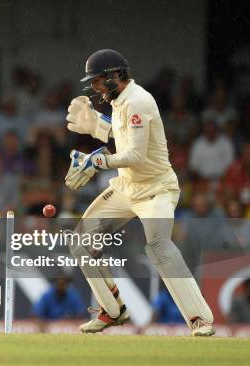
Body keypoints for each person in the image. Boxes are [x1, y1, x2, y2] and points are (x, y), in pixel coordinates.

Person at [64, 49, 214, 336]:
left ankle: (200, 320)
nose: (94, 87)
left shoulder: (139, 101)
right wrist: (97, 124)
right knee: (81, 242)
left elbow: (135, 155)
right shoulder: (121, 101)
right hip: (128, 188)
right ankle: (112, 311)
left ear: (114, 76)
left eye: (97, 81)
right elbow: (122, 135)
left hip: (157, 190)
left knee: (159, 246)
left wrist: (97, 161)